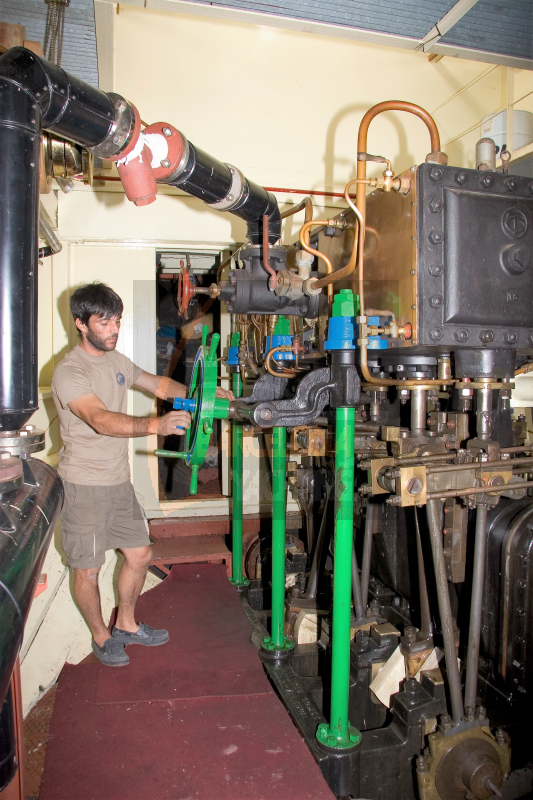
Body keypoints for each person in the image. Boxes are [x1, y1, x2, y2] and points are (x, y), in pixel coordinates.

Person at [51, 282, 233, 667]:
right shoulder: (70, 371)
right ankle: (102, 636)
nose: (114, 329)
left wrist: (206, 396)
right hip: (83, 485)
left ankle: (127, 625)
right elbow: (100, 420)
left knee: (140, 554)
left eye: (117, 320)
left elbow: (160, 384)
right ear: (81, 324)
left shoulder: (117, 361)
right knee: (88, 568)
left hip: (118, 482)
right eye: (104, 322)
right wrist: (156, 425)